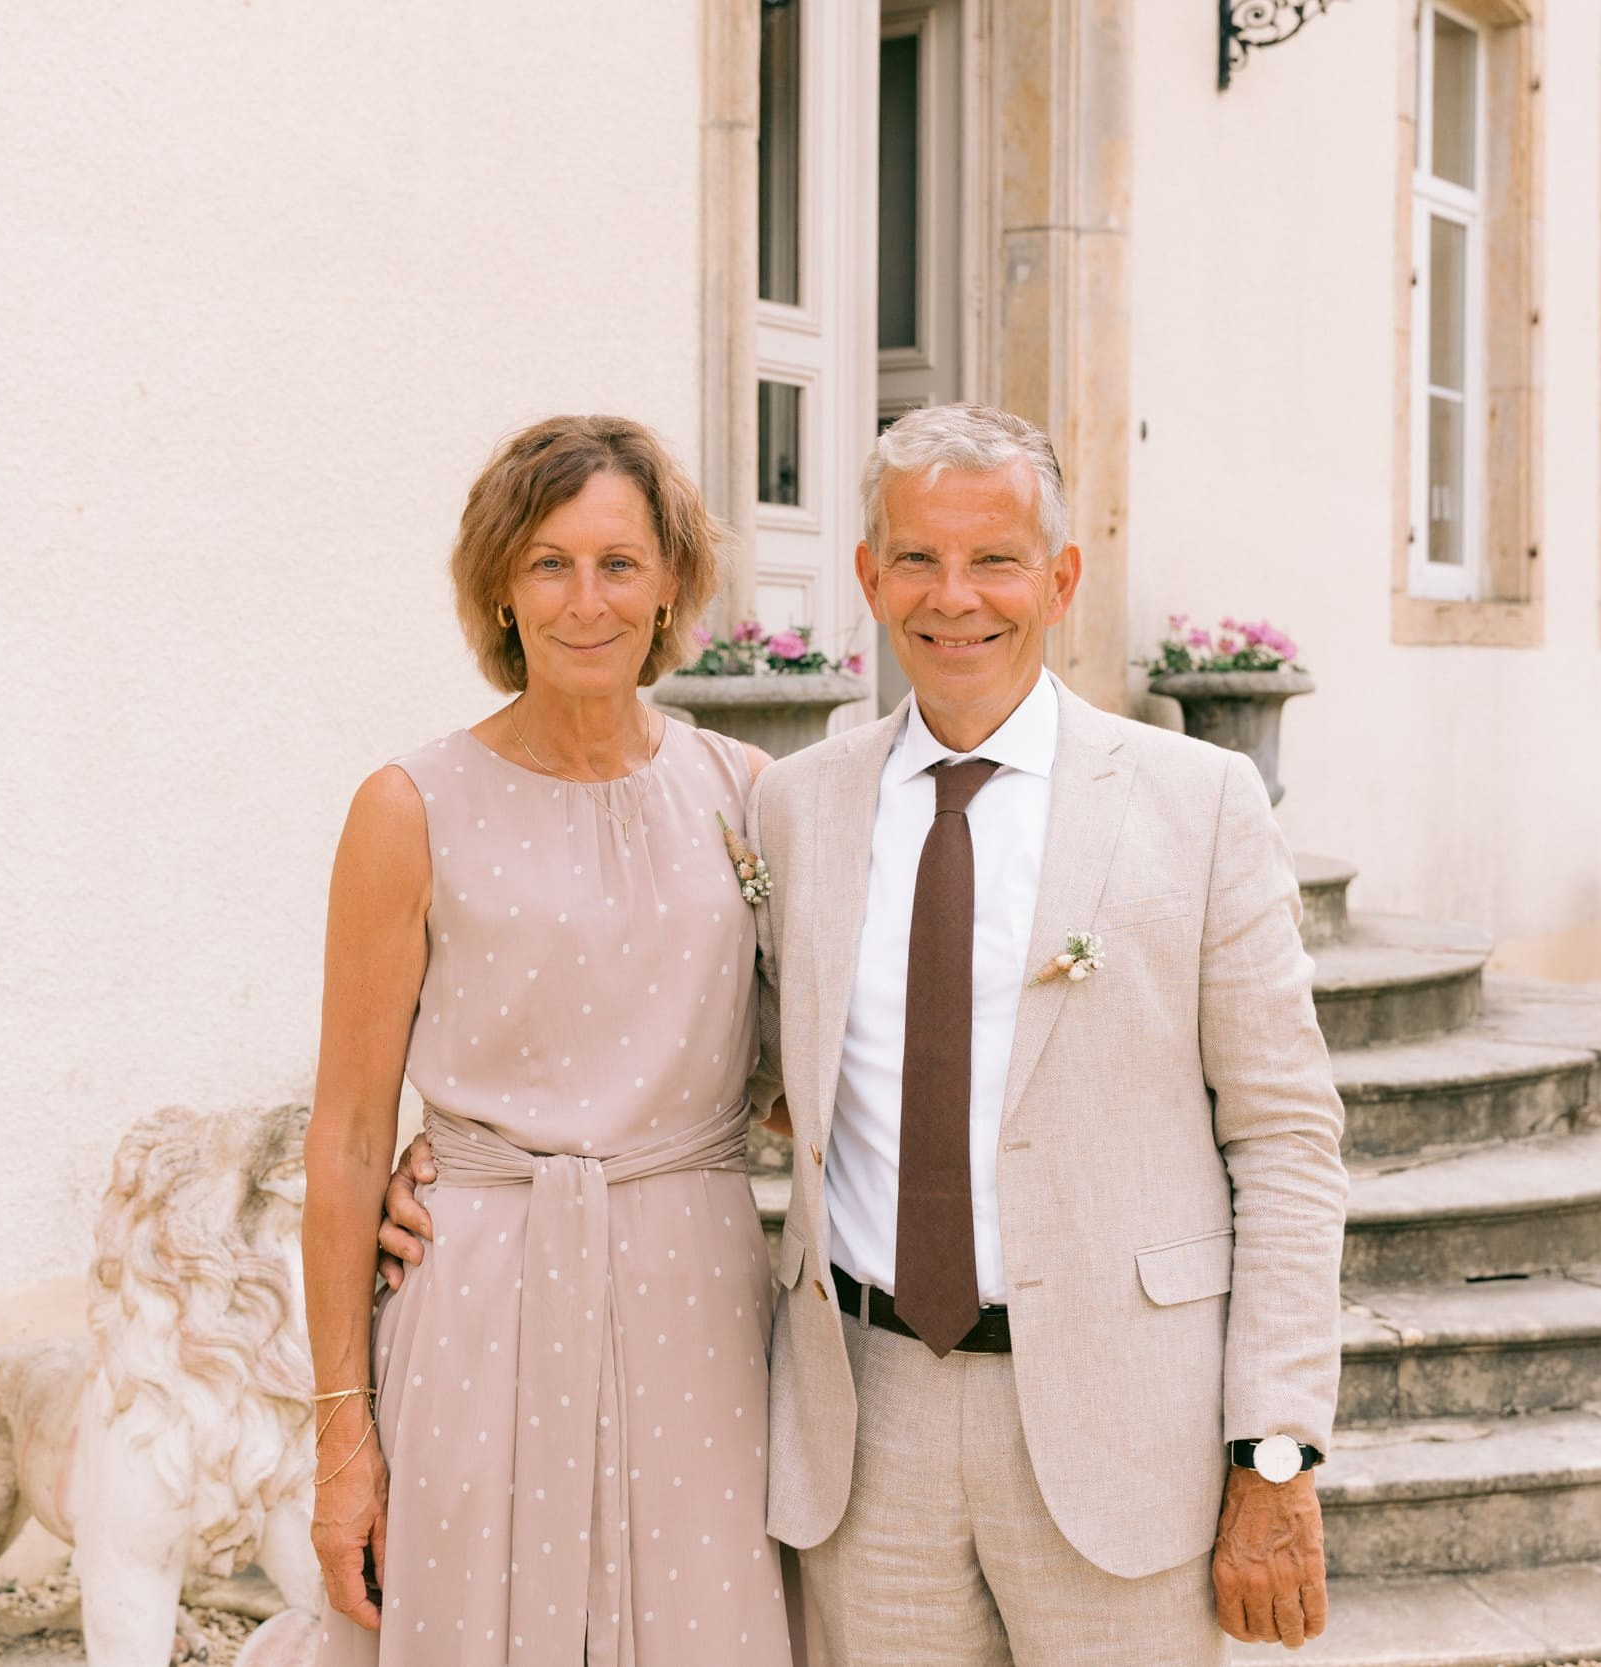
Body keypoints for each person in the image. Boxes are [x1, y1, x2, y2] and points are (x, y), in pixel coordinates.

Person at [752, 403, 1348, 1664]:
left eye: (995, 559)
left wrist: (1275, 1446)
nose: (953, 596)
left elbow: (1288, 1138)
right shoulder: (795, 807)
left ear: (1061, 578)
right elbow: (744, 1070)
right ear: (867, 576)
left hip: (1122, 1424)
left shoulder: (1196, 802)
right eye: (915, 557)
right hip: (866, 1420)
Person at [301, 413, 794, 1666]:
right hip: (476, 1294)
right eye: (549, 563)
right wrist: (342, 1434)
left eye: (619, 562)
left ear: (672, 580)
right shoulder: (407, 807)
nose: (587, 599)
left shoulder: (747, 795)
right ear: (500, 589)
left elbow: (808, 1078)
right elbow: (351, 1133)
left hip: (700, 1305)